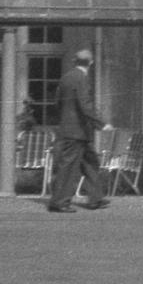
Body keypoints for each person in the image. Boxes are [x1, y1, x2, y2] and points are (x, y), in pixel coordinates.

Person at [48, 48, 109, 213]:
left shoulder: (66, 78)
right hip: (77, 131)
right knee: (69, 167)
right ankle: (59, 202)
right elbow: (85, 105)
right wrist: (102, 124)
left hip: (72, 129)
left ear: (75, 62)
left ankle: (95, 198)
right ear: (90, 63)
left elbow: (58, 103)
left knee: (90, 163)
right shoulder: (81, 78)